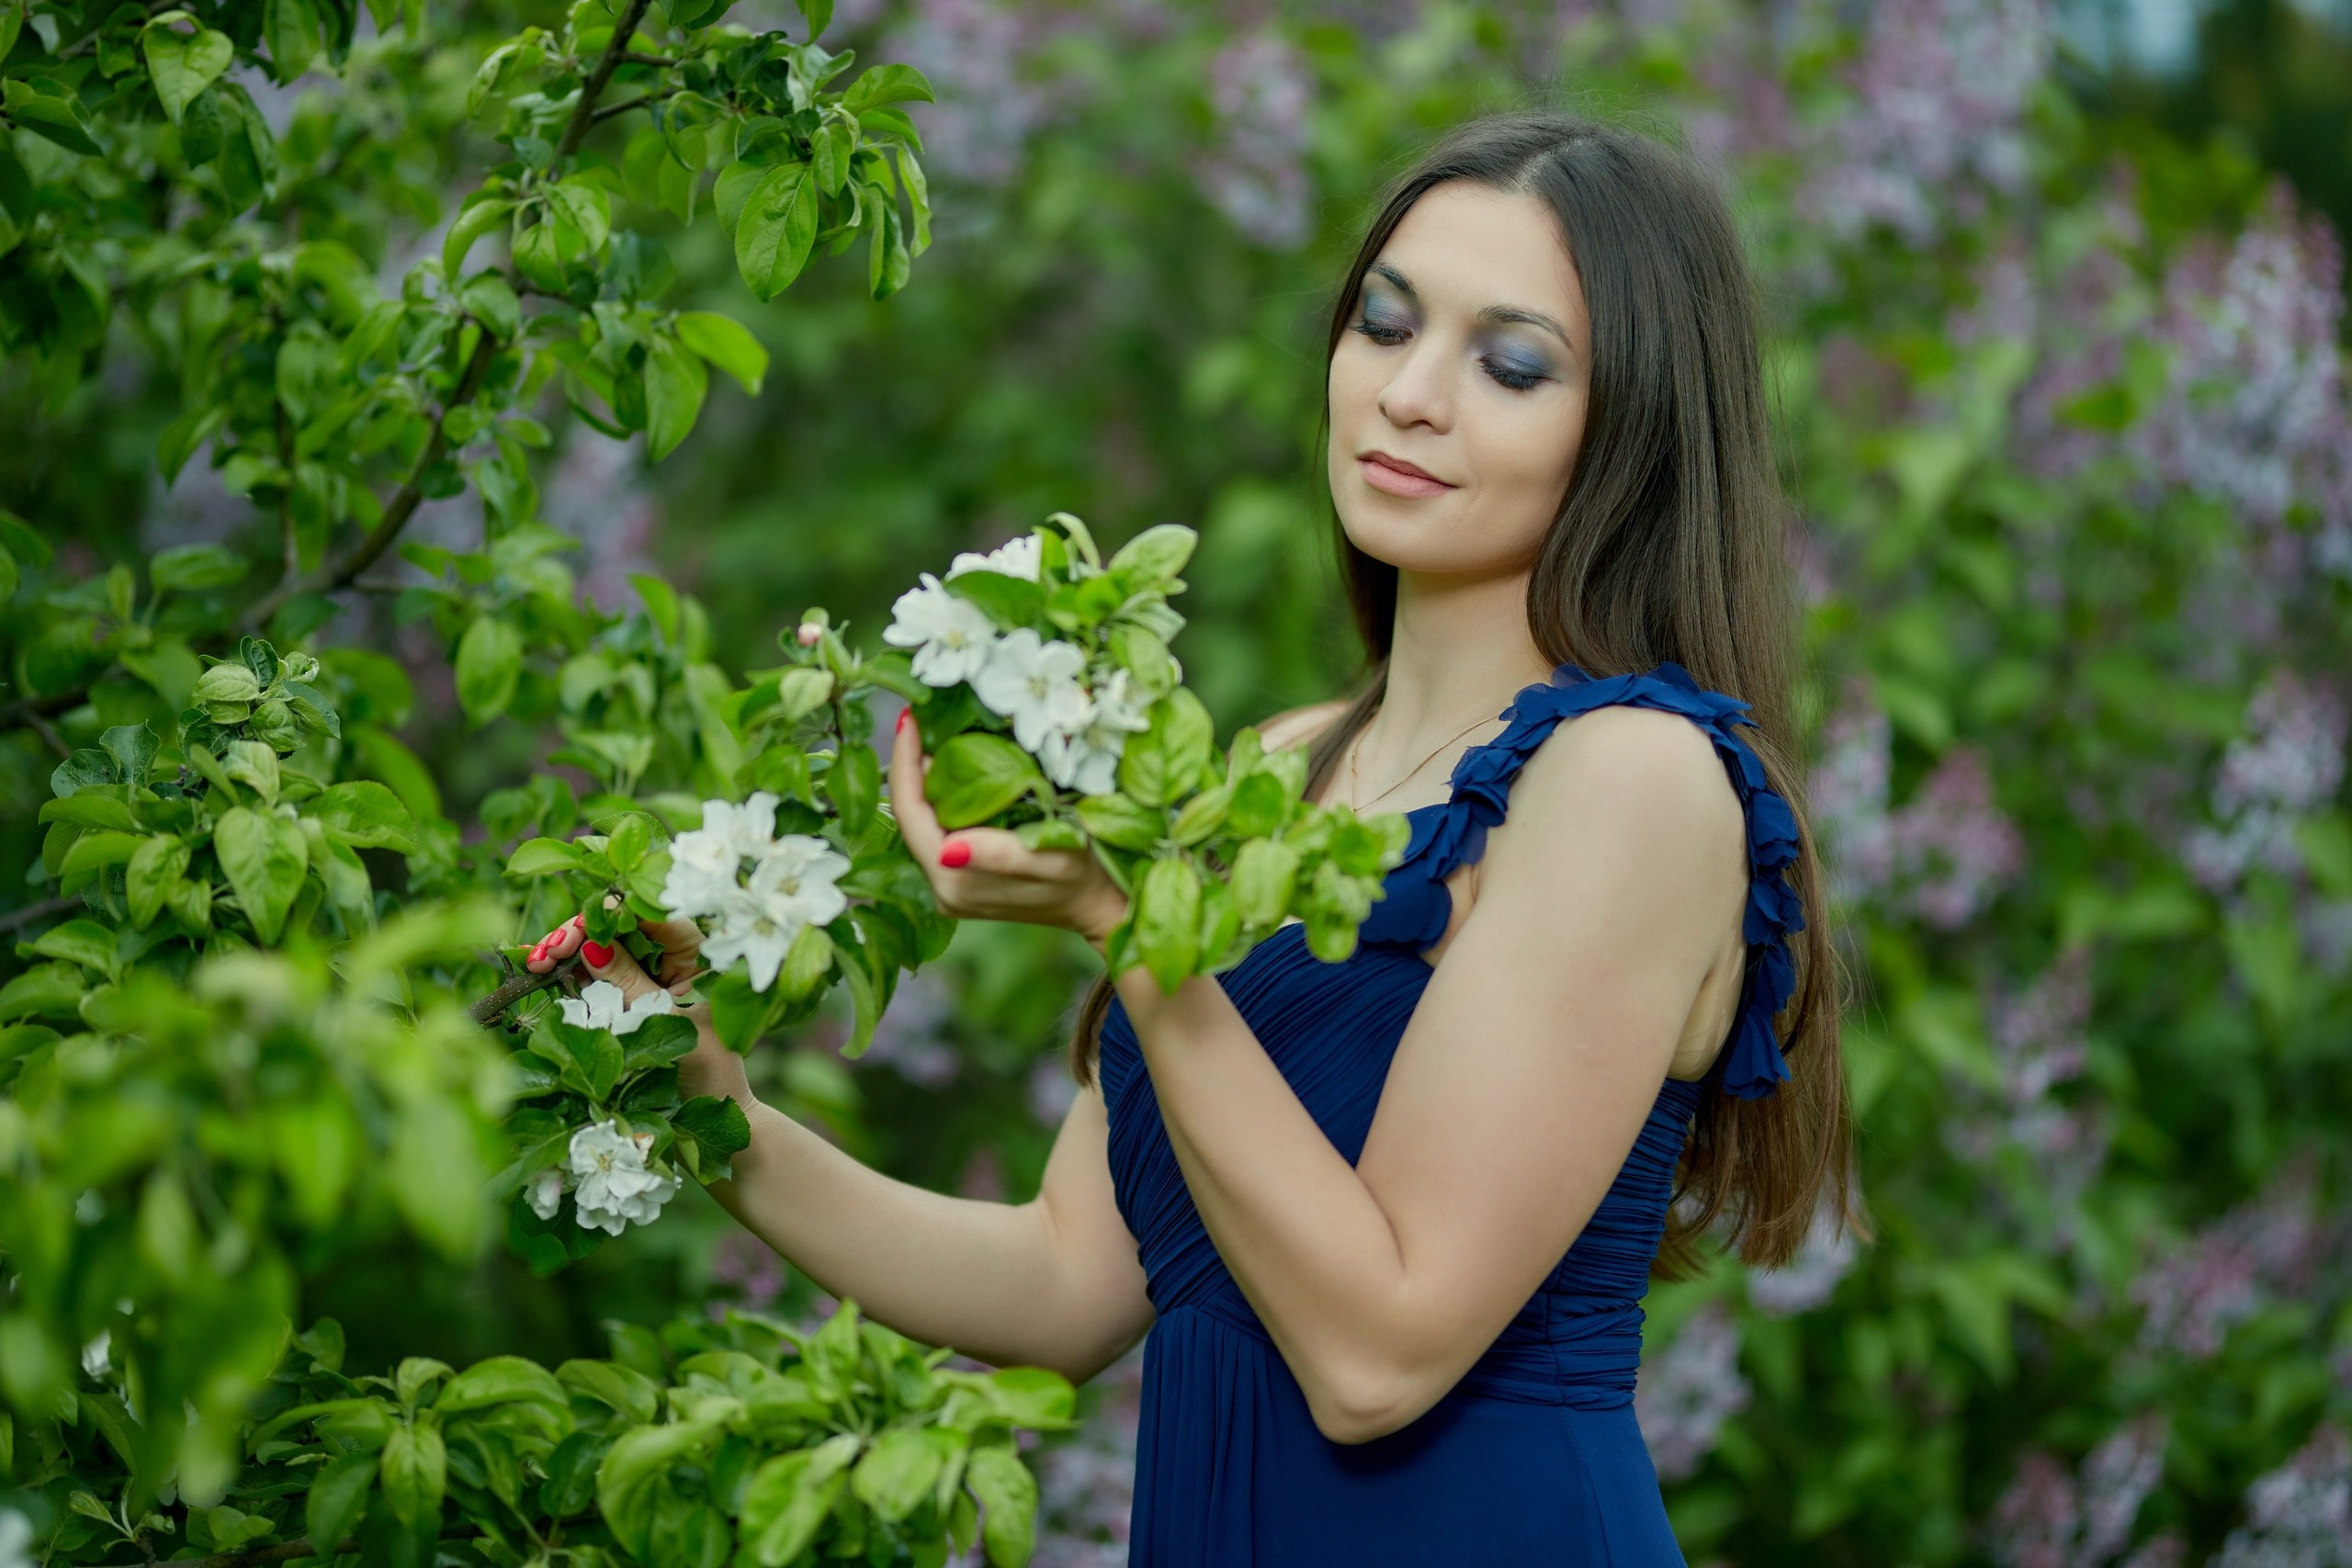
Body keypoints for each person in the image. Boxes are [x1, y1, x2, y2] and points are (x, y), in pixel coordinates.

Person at [527, 109, 1857, 1565]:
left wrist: (1129, 932)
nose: (1409, 394)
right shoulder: (1276, 774)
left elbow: (1378, 1359)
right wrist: (707, 1103)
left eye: (1511, 362)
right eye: (1385, 322)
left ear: (1638, 428)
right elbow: (1061, 1287)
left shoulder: (1635, 782)